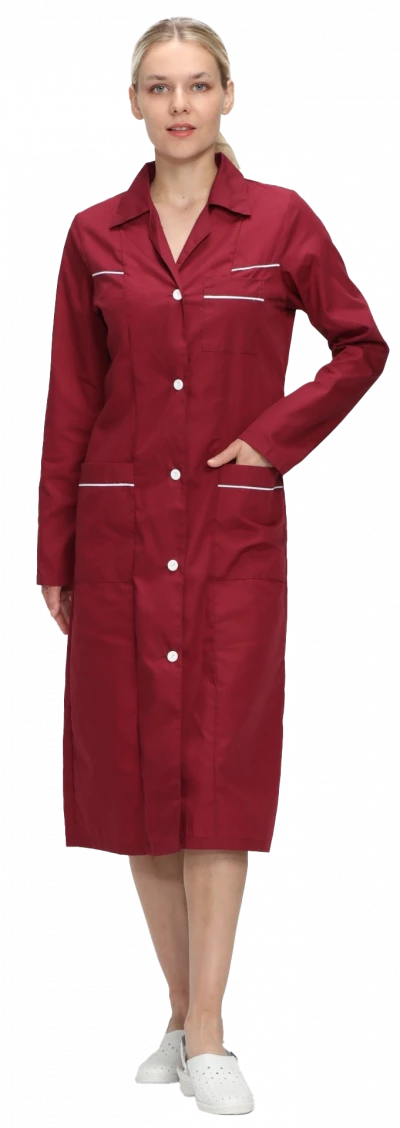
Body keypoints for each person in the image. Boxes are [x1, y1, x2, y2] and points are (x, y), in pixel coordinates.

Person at [37, 15, 390, 1118]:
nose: (179, 105)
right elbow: (72, 399)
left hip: (230, 539)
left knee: (218, 781)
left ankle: (208, 1035)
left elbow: (360, 345)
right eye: (159, 87)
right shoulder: (94, 236)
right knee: (135, 784)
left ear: (229, 94)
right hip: (120, 533)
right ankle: (181, 1022)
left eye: (197, 85)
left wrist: (271, 441)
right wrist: (54, 549)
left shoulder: (281, 221)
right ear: (133, 104)